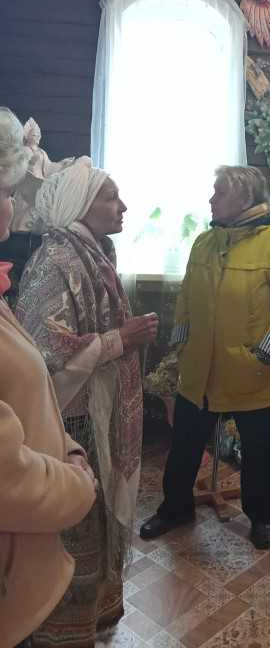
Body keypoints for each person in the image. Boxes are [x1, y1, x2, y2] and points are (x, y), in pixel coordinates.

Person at [16, 157, 159, 648]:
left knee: (94, 521)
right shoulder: (56, 260)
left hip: (96, 414)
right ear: (80, 204)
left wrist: (121, 338)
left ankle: (91, 617)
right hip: (70, 424)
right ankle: (59, 630)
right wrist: (121, 339)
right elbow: (43, 355)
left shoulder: (96, 253)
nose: (123, 207)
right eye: (111, 197)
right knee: (74, 523)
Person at [140, 166, 270, 550]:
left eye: (219, 193)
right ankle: (175, 508)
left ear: (245, 198)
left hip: (255, 372)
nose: (211, 199)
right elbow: (186, 296)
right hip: (199, 372)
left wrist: (266, 353)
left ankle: (261, 517)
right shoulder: (204, 242)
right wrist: (181, 345)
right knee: (184, 446)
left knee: (261, 452)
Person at [0, 109, 96, 648]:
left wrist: (65, 448)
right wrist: (77, 482)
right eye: (7, 190)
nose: (16, 203)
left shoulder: (92, 252)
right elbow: (50, 344)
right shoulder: (55, 259)